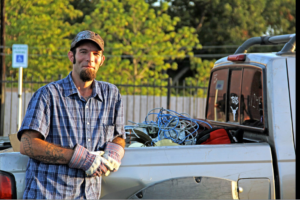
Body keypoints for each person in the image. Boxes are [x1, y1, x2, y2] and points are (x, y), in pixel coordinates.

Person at [17, 30, 126, 199]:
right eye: (83, 52)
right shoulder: (49, 94)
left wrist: (115, 153)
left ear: (102, 60)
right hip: (49, 194)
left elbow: (118, 136)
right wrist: (80, 158)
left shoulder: (111, 95)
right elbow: (27, 144)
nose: (89, 58)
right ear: (71, 56)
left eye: (95, 54)